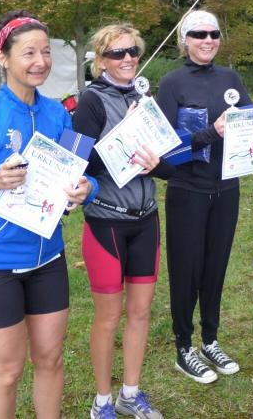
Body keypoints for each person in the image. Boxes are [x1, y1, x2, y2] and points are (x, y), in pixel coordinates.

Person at [0, 10, 97, 419]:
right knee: (7, 372)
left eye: (46, 52)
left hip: (48, 258)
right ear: (3, 57)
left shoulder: (57, 114)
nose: (40, 61)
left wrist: (86, 189)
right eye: (28, 52)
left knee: (51, 360)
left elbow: (77, 172)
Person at [156, 9, 253, 384]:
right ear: (184, 40)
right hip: (187, 190)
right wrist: (211, 133)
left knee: (215, 267)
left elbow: (251, 116)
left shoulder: (230, 78)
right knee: (186, 270)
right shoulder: (172, 83)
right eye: (199, 34)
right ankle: (183, 347)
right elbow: (165, 147)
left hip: (226, 188)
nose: (208, 40)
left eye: (214, 34)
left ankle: (210, 340)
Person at [72, 24, 172, 419]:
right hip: (106, 222)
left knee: (141, 312)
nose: (128, 58)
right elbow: (81, 165)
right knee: (109, 317)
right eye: (117, 53)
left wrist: (158, 163)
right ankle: (102, 401)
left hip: (146, 219)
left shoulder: (145, 98)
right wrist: (124, 134)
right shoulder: (91, 100)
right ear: (101, 60)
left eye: (133, 51)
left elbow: (168, 167)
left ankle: (130, 394)